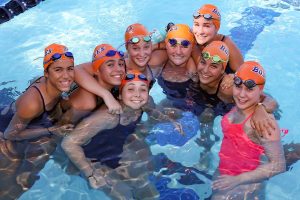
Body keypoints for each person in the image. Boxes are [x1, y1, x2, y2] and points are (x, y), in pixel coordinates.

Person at [62, 71, 166, 199]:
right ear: (120, 96)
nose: (137, 95)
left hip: (118, 150)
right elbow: (69, 143)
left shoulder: (145, 103)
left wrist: (170, 122)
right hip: (93, 159)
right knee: (124, 196)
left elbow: (154, 117)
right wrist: (90, 173)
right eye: (131, 89)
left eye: (143, 89)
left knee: (147, 188)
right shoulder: (108, 116)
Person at [0, 43, 75, 199]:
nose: (66, 76)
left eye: (70, 69)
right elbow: (10, 134)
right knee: (14, 187)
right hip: (5, 130)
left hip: (22, 118)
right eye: (58, 70)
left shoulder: (52, 83)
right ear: (46, 73)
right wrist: (50, 131)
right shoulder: (33, 104)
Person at [211, 61, 286, 199]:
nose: (242, 94)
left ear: (260, 90)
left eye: (249, 89)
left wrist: (238, 180)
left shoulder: (264, 122)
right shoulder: (240, 103)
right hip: (224, 174)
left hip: (245, 186)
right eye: (238, 87)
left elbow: (278, 165)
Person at [61, 43, 125, 124]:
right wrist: (106, 95)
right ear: (97, 71)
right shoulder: (88, 100)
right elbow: (64, 126)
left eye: (121, 64)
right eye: (110, 65)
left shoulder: (115, 87)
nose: (119, 69)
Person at [192, 4, 244, 73]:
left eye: (206, 26)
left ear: (217, 28)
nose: (200, 32)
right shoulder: (190, 38)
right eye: (196, 25)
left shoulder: (227, 44)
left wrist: (231, 77)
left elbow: (244, 75)